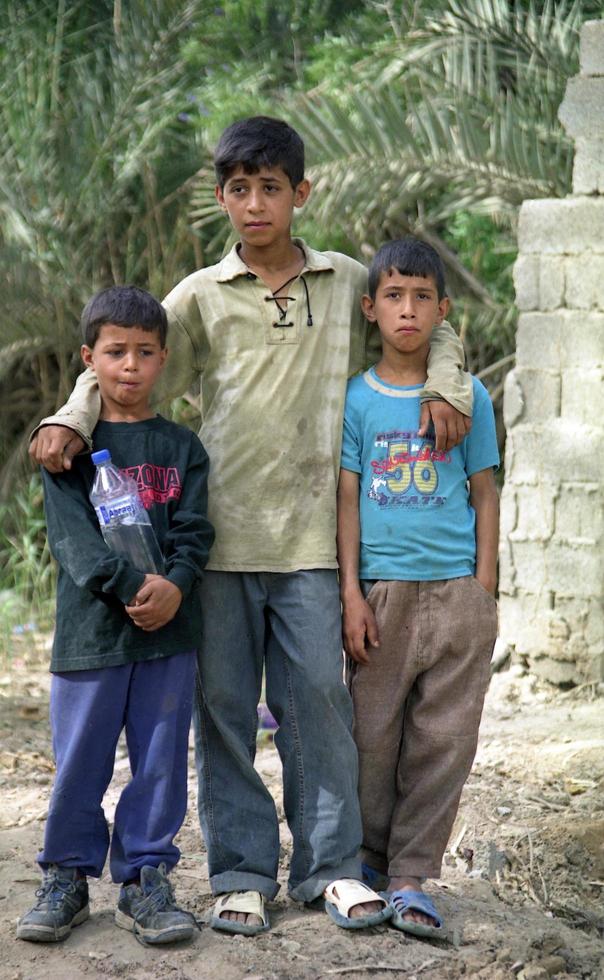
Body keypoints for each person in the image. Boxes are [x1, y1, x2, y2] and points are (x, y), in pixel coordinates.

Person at [29, 117, 474, 934]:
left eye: (273, 187)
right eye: (240, 189)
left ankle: (331, 869)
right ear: (222, 198)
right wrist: (67, 416)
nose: (256, 203)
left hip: (313, 543)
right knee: (225, 714)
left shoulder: (345, 282)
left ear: (301, 193)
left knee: (318, 707)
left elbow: (430, 325)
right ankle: (240, 872)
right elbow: (127, 357)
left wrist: (444, 385)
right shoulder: (201, 295)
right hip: (217, 545)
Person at [17, 286, 214, 946]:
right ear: (89, 358)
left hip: (169, 636)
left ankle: (146, 880)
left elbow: (195, 530)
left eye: (145, 352)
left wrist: (177, 585)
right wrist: (137, 586)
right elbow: (74, 546)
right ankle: (66, 878)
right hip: (91, 636)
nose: (130, 365)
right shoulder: (65, 448)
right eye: (115, 351)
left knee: (160, 762)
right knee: (80, 760)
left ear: (164, 360)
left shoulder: (182, 446)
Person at [337, 237, 499, 938]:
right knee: (371, 734)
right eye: (394, 297)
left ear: (444, 310)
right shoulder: (357, 399)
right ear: (371, 309)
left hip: (457, 592)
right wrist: (351, 592)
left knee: (446, 739)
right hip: (384, 592)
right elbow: (346, 499)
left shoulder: (472, 398)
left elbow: (486, 493)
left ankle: (411, 874)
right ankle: (369, 861)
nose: (408, 310)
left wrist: (483, 590)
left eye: (422, 297)